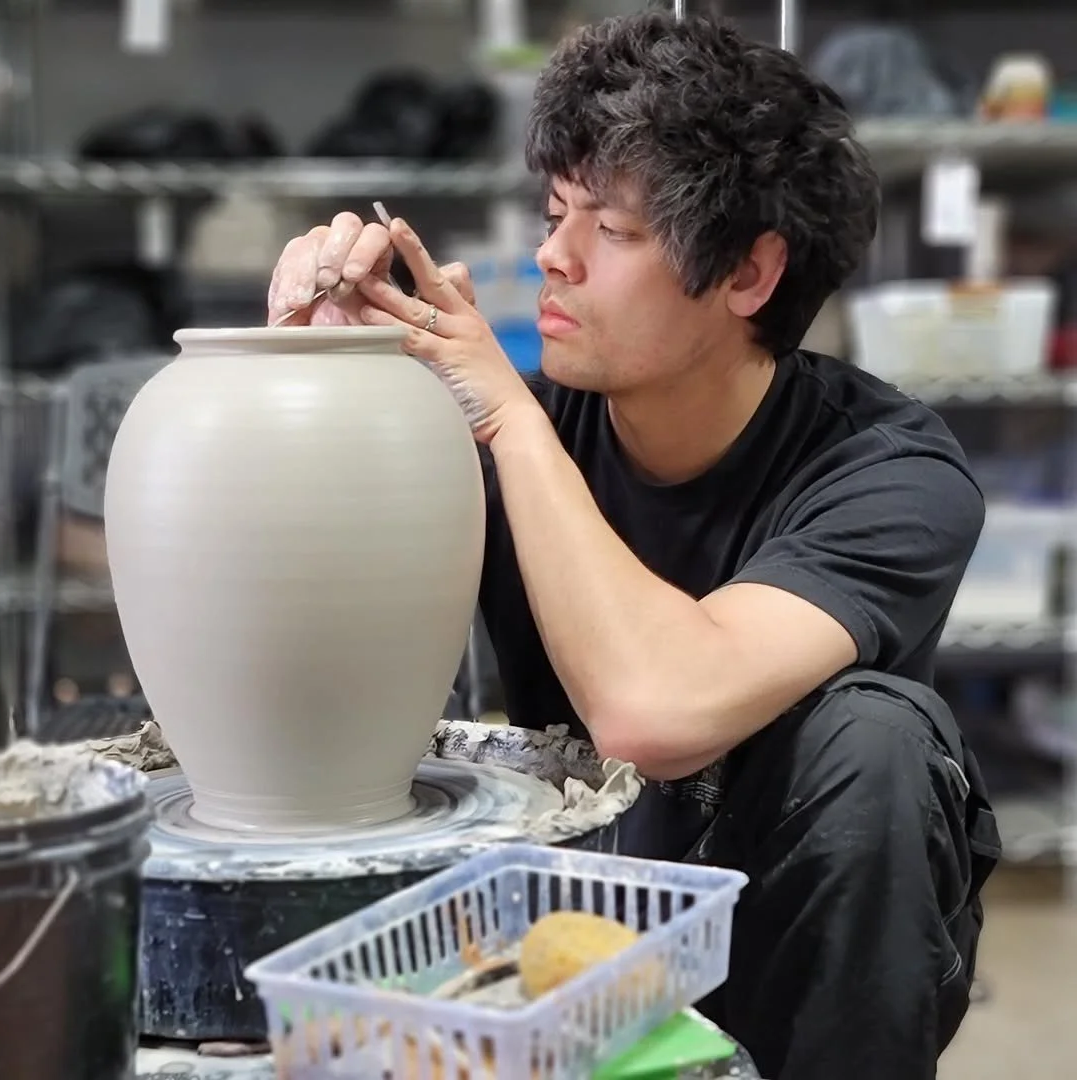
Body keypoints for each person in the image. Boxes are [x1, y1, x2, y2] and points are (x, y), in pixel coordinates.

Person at [266, 10, 1001, 1079]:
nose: (551, 258)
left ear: (748, 275)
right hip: (572, 913)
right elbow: (304, 637)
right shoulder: (516, 428)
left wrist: (507, 421)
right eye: (554, 213)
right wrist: (315, 376)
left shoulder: (892, 474)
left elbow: (656, 711)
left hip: (792, 935)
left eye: (610, 231)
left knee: (874, 737)